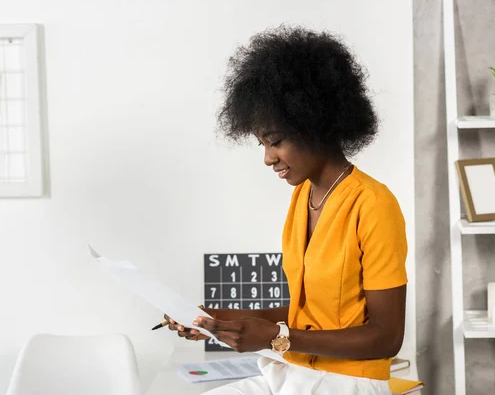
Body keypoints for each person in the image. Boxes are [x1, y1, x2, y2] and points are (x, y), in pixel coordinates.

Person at [165, 25, 407, 395]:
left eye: (275, 142)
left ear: (314, 123)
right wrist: (214, 319)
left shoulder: (373, 203)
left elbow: (386, 337)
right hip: (293, 373)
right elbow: (308, 316)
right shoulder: (302, 197)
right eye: (262, 144)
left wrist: (280, 338)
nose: (267, 158)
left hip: (347, 384)